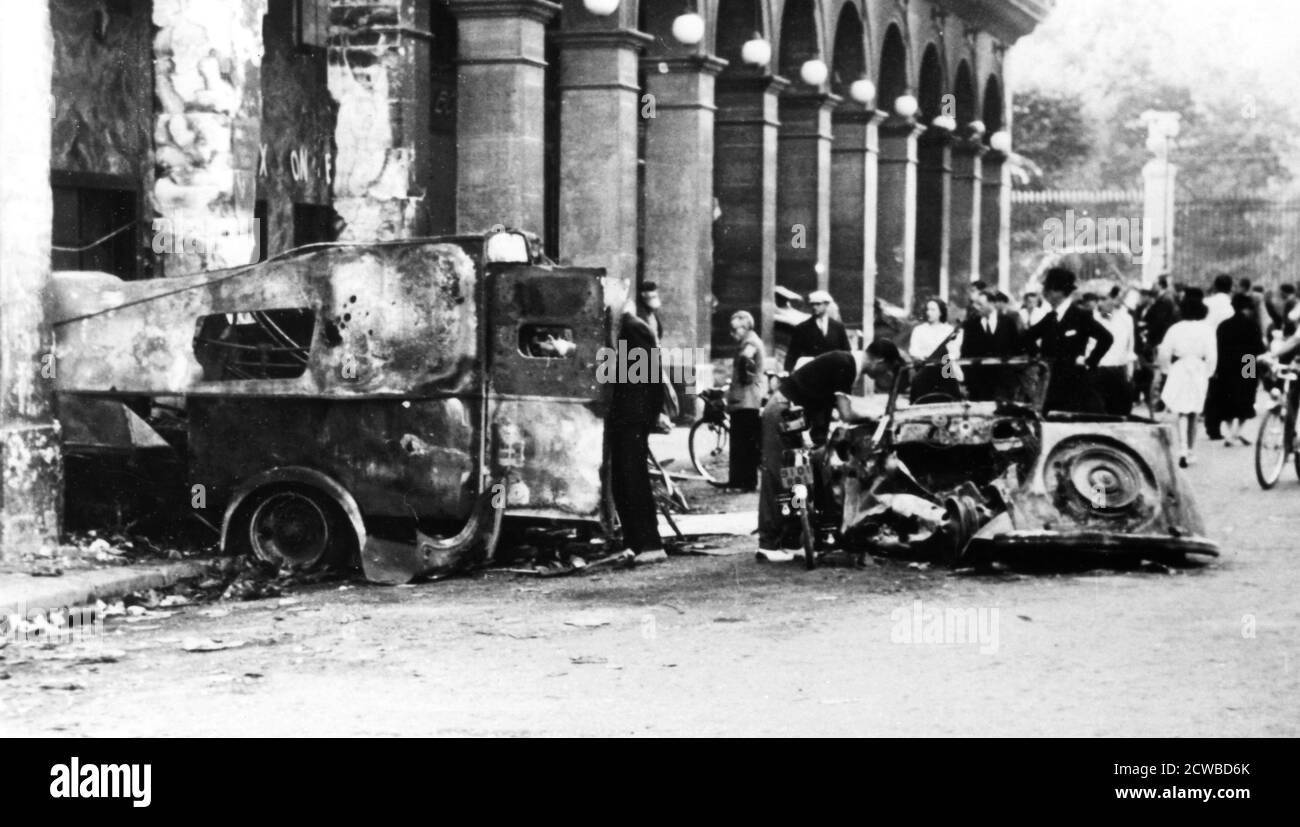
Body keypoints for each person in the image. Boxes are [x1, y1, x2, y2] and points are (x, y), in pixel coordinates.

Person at [757, 341, 905, 562]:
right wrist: (872, 417)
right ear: (880, 361)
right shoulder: (846, 364)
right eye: (888, 368)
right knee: (779, 475)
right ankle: (768, 545)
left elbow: (825, 405)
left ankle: (791, 541)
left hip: (793, 414)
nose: (885, 374)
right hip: (783, 411)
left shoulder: (845, 363)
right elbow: (845, 413)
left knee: (797, 477)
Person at [606, 308, 667, 563]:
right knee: (623, 478)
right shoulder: (623, 328)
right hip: (626, 417)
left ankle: (650, 544)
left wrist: (647, 417)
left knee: (633, 479)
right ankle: (634, 542)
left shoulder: (633, 328)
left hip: (633, 417)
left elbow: (647, 379)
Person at [1024, 267, 1114, 414]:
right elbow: (1026, 338)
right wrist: (1039, 358)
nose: (1045, 293)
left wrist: (1090, 362)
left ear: (1059, 292)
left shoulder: (1081, 316)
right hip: (1050, 386)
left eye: (1049, 289)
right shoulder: (1050, 318)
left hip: (1075, 385)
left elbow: (1106, 338)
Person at [1157, 289, 1217, 468]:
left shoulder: (1175, 329)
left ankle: (1182, 448)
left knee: (1181, 410)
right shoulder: (1207, 329)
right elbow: (1212, 354)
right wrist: (1209, 371)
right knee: (1194, 410)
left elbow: (1164, 352)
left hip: (1180, 368)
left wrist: (1166, 369)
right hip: (1198, 368)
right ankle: (1190, 449)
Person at [1215, 292, 1266, 447]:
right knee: (1247, 394)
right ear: (1247, 308)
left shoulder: (1224, 325)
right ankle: (1238, 431)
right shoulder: (1252, 325)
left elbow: (1218, 347)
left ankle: (1229, 433)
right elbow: (1259, 348)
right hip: (1248, 361)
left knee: (1228, 396)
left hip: (1227, 363)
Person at [960, 287, 1025, 401]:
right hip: (978, 385)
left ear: (992, 304)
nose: (976, 307)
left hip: (1004, 384)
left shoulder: (1008, 322)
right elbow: (965, 353)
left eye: (980, 304)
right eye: (975, 304)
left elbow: (1017, 350)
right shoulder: (970, 325)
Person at [725, 310, 766, 490]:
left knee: (745, 444)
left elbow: (745, 359)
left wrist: (743, 378)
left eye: (735, 330)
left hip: (746, 399)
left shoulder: (750, 342)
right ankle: (739, 480)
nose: (732, 334)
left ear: (745, 327)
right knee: (742, 442)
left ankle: (746, 481)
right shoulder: (749, 340)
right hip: (745, 399)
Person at [1092, 286, 1137, 416]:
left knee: (1120, 414)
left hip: (1118, 373)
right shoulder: (1092, 318)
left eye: (1103, 299)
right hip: (1097, 372)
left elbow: (1130, 349)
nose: (1099, 303)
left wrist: (1129, 375)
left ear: (1114, 299)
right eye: (1098, 299)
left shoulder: (1126, 320)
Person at [784, 289, 851, 371]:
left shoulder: (838, 327)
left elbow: (846, 352)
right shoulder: (802, 328)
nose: (814, 307)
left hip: (833, 373)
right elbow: (792, 354)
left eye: (818, 304)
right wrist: (787, 372)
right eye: (812, 304)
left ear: (826, 304)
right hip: (812, 374)